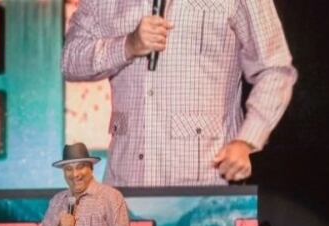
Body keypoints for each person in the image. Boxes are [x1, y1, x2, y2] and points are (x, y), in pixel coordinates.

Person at [63, 0, 298, 187]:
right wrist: (127, 46)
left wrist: (246, 141)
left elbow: (275, 69)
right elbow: (70, 60)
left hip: (206, 189)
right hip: (126, 185)